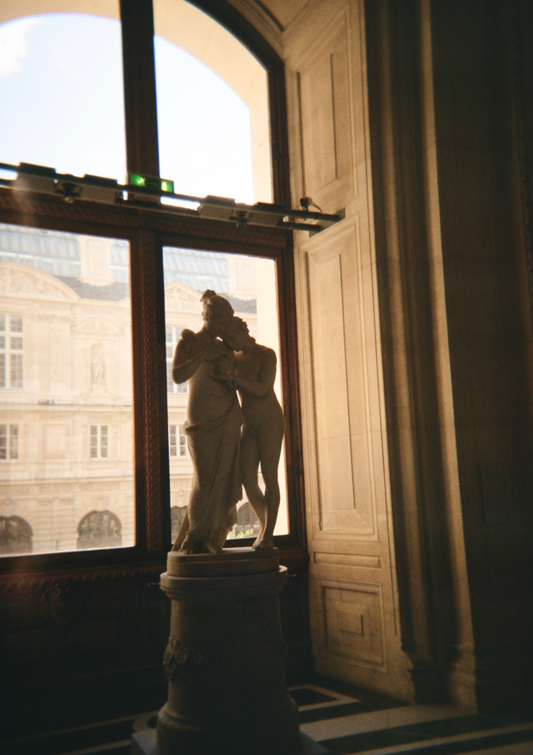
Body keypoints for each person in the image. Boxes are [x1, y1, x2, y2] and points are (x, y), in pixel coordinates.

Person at [171, 290, 242, 554]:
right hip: (201, 420)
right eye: (222, 323)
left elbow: (236, 369)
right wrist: (200, 355)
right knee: (204, 479)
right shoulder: (188, 342)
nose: (225, 328)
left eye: (227, 324)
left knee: (221, 480)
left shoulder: (226, 346)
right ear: (208, 317)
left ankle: (212, 538)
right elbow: (177, 376)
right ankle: (195, 538)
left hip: (228, 417)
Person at [214, 316, 285, 550]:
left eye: (232, 337)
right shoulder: (232, 359)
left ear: (243, 332)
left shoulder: (267, 354)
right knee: (247, 478)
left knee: (270, 476)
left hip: (270, 420)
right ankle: (266, 528)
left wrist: (234, 378)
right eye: (227, 339)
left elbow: (262, 388)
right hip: (249, 422)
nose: (230, 342)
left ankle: (268, 535)